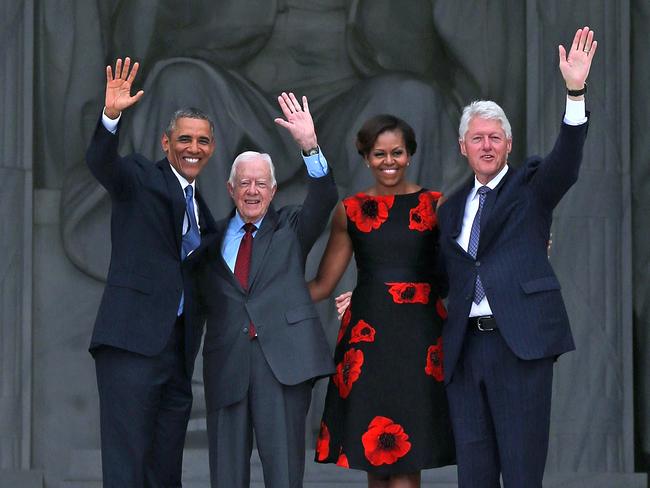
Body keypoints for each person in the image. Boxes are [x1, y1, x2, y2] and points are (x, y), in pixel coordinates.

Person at [436, 26, 597, 487]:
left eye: (495, 137)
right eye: (477, 138)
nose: (486, 145)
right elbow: (437, 276)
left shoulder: (531, 187)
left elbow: (567, 158)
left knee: (523, 474)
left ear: (508, 145)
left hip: (519, 346)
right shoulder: (449, 212)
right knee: (475, 476)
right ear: (463, 148)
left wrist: (574, 91)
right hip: (466, 351)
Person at [184, 92, 338, 487]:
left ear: (272, 191)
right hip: (228, 365)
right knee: (227, 478)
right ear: (231, 189)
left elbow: (324, 199)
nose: (252, 190)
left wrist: (309, 146)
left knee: (284, 475)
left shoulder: (290, 229)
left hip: (282, 367)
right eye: (244, 183)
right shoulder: (208, 237)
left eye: (261, 183)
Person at [86, 58, 217, 486]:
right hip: (131, 344)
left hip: (176, 354)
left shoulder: (206, 213)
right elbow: (103, 164)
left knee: (165, 474)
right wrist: (110, 117)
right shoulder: (141, 178)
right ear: (166, 143)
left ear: (211, 148)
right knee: (127, 471)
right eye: (184, 139)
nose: (193, 148)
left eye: (201, 141)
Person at [308, 114, 455, 487]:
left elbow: (459, 271)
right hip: (368, 340)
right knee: (375, 454)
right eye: (379, 154)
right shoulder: (350, 210)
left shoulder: (435, 206)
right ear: (365, 157)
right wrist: (266, 296)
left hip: (420, 340)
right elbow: (323, 284)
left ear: (410, 155)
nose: (388, 162)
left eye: (397, 153)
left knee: (407, 456)